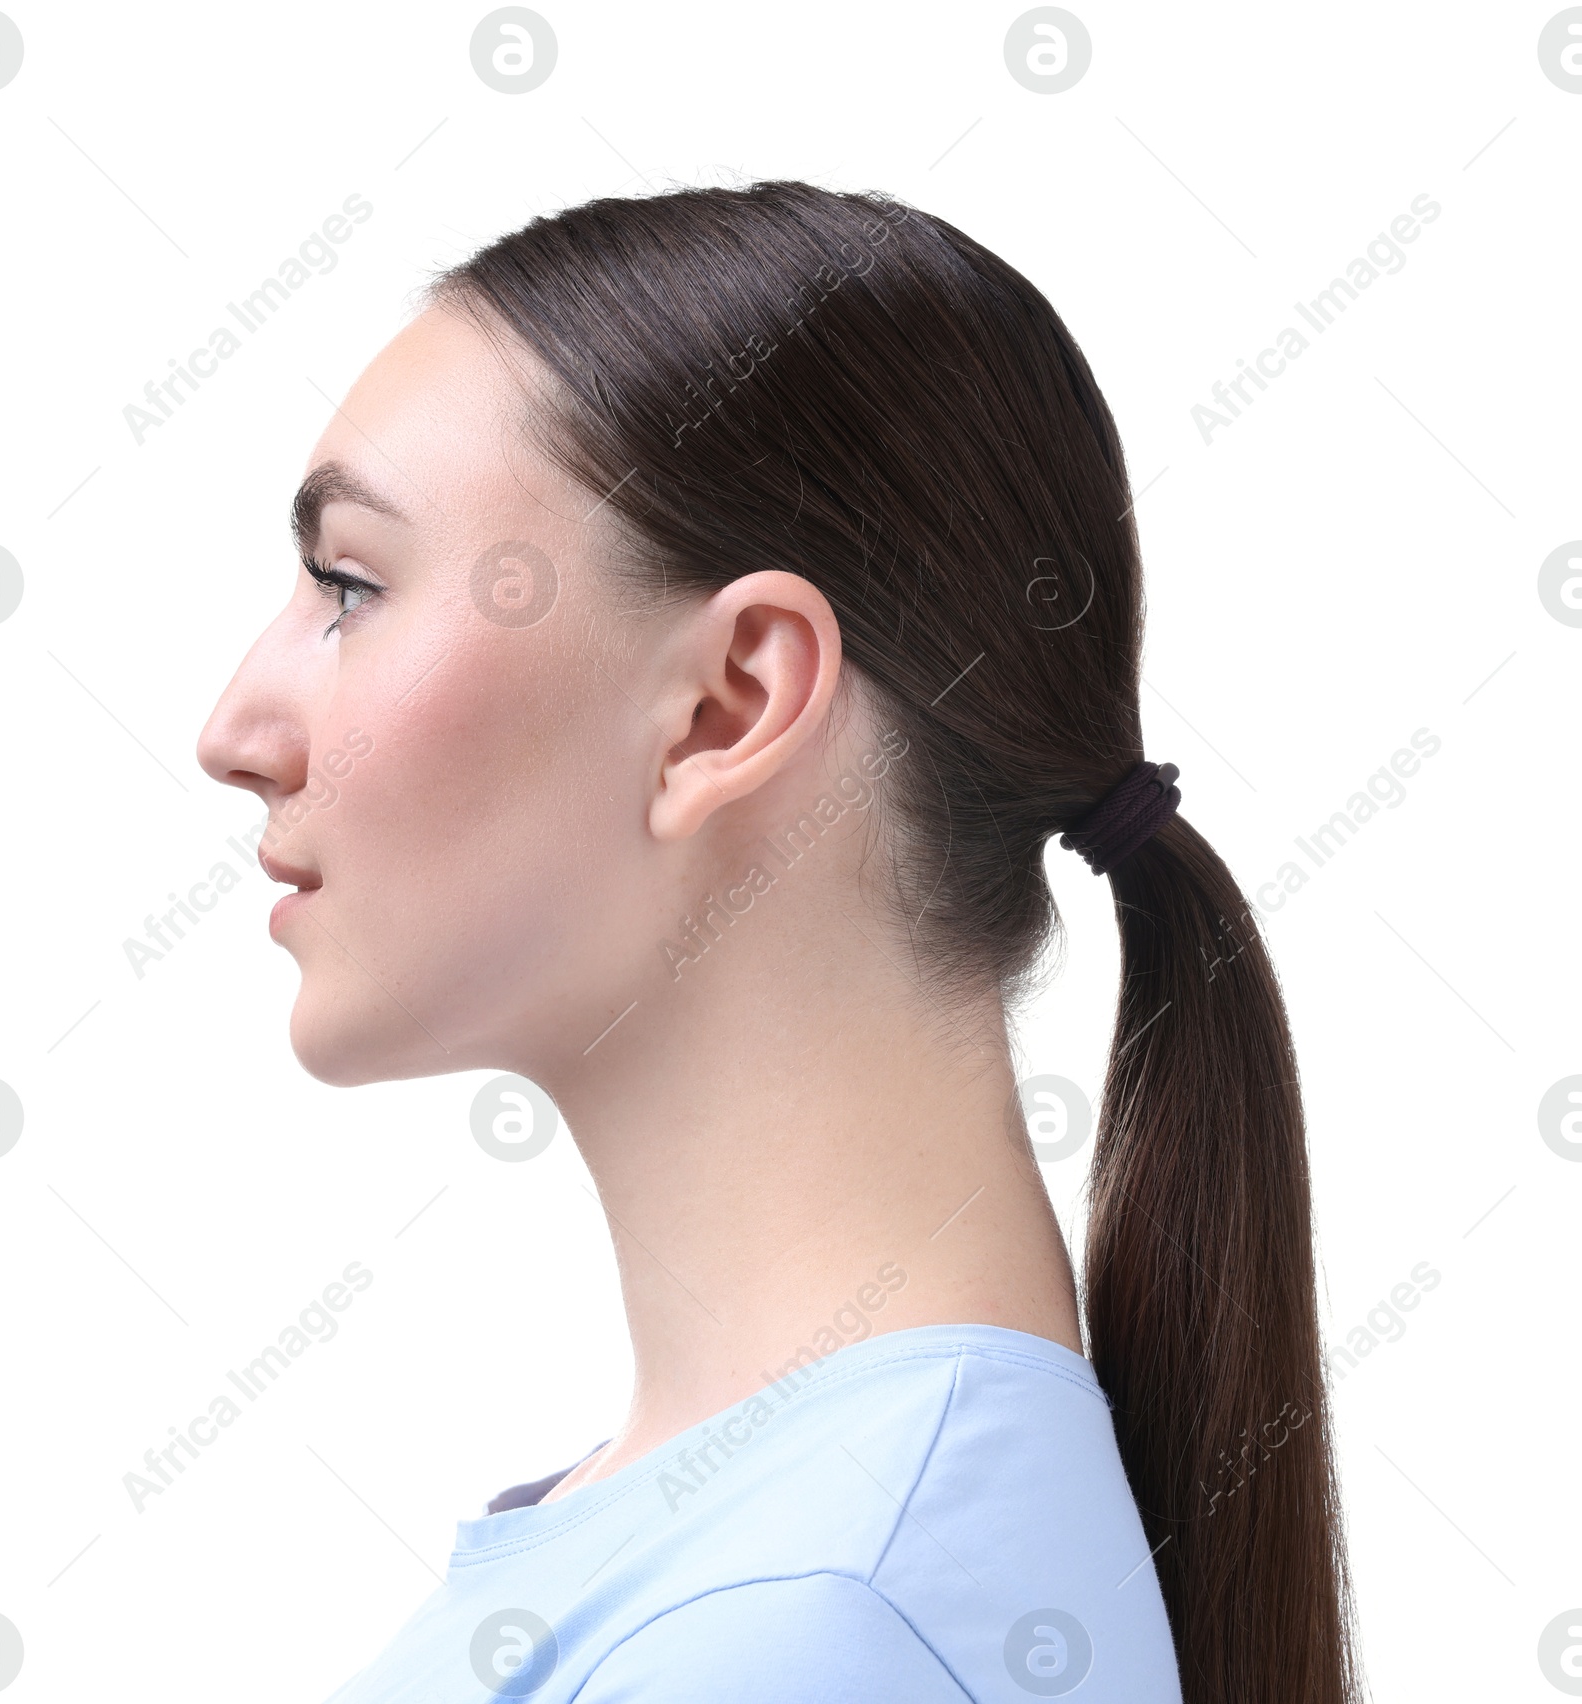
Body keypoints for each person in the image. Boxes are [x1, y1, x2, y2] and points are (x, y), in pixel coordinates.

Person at [198, 180, 1360, 1702]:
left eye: (351, 585)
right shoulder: (774, 1564)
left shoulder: (803, 1627)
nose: (235, 731)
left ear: (730, 702)